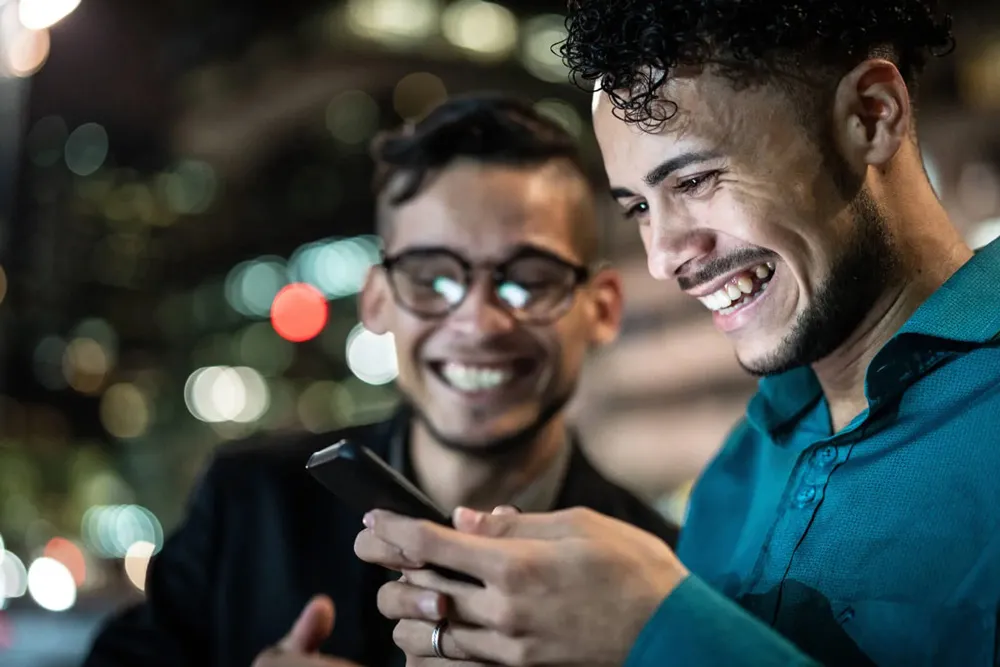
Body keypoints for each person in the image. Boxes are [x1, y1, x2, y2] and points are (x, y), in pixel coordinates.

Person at [354, 2, 1000, 666]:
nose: (663, 258)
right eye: (637, 206)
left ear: (871, 115)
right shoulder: (733, 478)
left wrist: (658, 629)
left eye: (694, 180)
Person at [80, 94, 679, 667]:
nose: (478, 321)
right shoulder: (249, 508)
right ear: (376, 300)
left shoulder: (664, 578)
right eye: (432, 278)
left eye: (528, 279)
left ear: (601, 307)